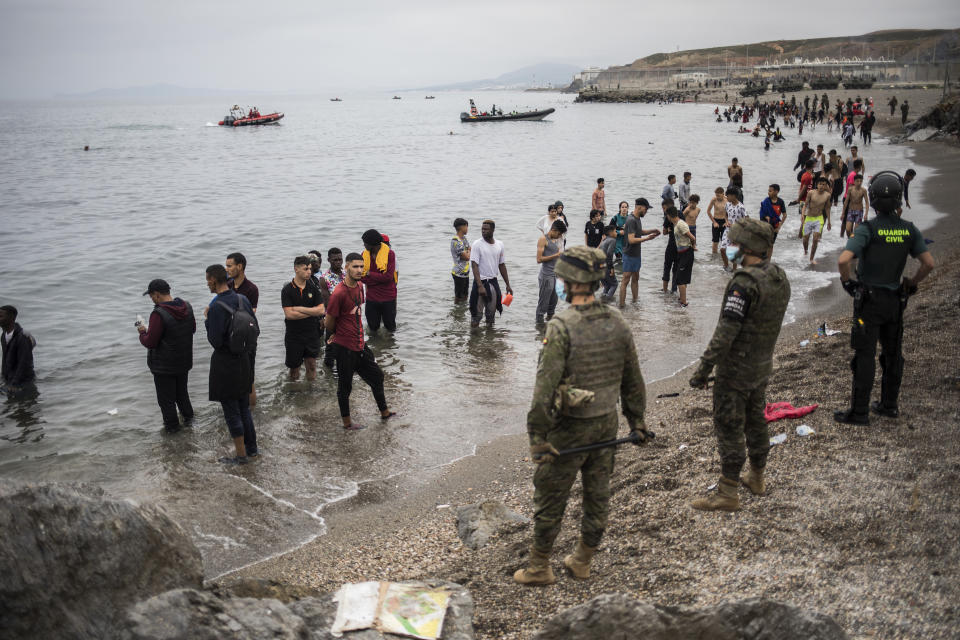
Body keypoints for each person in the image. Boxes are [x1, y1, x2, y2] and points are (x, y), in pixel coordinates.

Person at [513, 246, 650, 585]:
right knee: (597, 493)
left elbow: (544, 392)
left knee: (550, 496)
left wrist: (538, 439)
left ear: (571, 282)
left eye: (560, 278)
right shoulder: (617, 320)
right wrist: (638, 422)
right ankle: (582, 560)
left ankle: (539, 567)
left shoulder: (561, 326)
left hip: (569, 429)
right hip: (607, 423)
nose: (558, 283)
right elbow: (633, 379)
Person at [688, 219, 790, 511]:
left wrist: (703, 371)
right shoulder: (778, 276)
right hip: (761, 365)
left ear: (745, 248)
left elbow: (725, 333)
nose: (728, 247)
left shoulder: (744, 283)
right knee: (756, 419)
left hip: (736, 371)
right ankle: (757, 477)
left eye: (732, 244)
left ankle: (727, 492)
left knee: (730, 425)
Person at [834, 171, 934, 425]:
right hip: (895, 301)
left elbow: (844, 260)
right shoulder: (909, 230)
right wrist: (911, 284)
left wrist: (848, 283)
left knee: (864, 355)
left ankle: (859, 412)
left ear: (874, 200)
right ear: (899, 200)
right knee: (893, 354)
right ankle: (889, 405)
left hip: (868, 302)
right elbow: (928, 264)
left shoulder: (868, 229)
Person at [324, 253, 395, 430]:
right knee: (345, 386)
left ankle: (384, 412)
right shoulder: (338, 293)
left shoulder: (361, 287)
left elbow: (356, 313)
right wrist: (335, 334)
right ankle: (347, 424)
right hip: (344, 347)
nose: (359, 270)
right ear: (346, 267)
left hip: (360, 344)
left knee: (377, 376)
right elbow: (329, 321)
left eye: (362, 267)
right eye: (355, 266)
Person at [205, 264, 258, 464]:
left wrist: (207, 320)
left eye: (207, 280)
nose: (207, 283)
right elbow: (255, 328)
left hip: (225, 363)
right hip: (244, 359)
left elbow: (216, 341)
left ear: (212, 280)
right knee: (244, 407)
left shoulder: (216, 306)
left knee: (231, 410)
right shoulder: (242, 299)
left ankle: (240, 455)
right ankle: (252, 449)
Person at [137, 279, 195, 432]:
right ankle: (190, 424)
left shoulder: (158, 313)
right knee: (182, 395)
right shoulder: (187, 306)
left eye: (151, 296)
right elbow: (192, 329)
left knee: (167, 401)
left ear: (156, 295)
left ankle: (172, 432)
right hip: (183, 362)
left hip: (164, 366)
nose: (151, 300)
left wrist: (142, 332)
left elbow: (150, 342)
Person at [281, 256, 325, 381]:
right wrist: (312, 312)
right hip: (294, 335)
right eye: (306, 269)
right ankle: (293, 394)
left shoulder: (313, 288)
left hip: (311, 333)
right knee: (294, 369)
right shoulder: (287, 290)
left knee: (311, 365)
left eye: (310, 269)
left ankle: (311, 392)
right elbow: (289, 315)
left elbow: (321, 310)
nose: (309, 272)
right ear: (296, 269)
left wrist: (299, 308)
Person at [225, 252, 259, 405]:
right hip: (230, 336)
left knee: (248, 377)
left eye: (229, 266)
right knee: (232, 377)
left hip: (246, 336)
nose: (227, 269)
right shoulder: (227, 286)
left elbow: (250, 314)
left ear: (240, 266)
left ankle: (252, 413)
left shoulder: (251, 288)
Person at [469, 219, 513, 327]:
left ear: (493, 230)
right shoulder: (477, 244)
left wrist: (508, 284)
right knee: (476, 315)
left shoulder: (499, 245)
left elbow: (501, 265)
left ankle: (490, 341)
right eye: (482, 229)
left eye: (486, 229)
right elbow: (474, 265)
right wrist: (480, 286)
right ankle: (474, 340)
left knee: (491, 315)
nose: (483, 231)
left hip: (493, 282)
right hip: (481, 282)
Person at [618, 198, 659, 307]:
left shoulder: (637, 218)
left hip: (636, 254)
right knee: (625, 280)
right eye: (646, 209)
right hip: (629, 254)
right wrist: (647, 239)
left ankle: (635, 302)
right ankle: (622, 306)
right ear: (640, 207)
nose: (646, 212)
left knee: (636, 278)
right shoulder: (631, 220)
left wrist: (652, 230)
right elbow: (631, 240)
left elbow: (639, 232)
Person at [360, 229, 398, 333]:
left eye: (365, 243)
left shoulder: (390, 254)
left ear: (372, 244)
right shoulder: (364, 254)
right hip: (372, 298)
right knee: (372, 329)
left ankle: (390, 349)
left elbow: (389, 277)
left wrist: (370, 274)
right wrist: (380, 278)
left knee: (391, 329)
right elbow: (362, 277)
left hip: (388, 298)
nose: (364, 245)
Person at [0, 305, 36, 399]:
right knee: (12, 408)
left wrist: (14, 383)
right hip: (11, 379)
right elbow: (4, 358)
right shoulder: (3, 336)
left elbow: (24, 363)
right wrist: (3, 377)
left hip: (24, 381)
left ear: (11, 317)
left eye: (0, 316)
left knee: (26, 408)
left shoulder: (22, 337)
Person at [536, 220, 566, 323]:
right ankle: (539, 328)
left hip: (555, 275)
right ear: (553, 230)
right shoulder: (543, 239)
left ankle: (549, 327)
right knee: (543, 305)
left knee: (553, 304)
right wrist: (556, 255)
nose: (559, 236)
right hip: (546, 276)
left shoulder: (554, 240)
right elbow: (539, 259)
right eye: (559, 234)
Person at [667, 207, 696, 307]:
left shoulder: (680, 224)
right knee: (682, 277)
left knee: (679, 279)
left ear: (669, 216)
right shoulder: (676, 224)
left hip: (686, 253)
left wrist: (693, 246)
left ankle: (684, 302)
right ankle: (682, 299)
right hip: (682, 253)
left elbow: (692, 237)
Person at [800, 177, 833, 265]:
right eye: (820, 184)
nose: (821, 186)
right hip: (809, 217)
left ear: (826, 186)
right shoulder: (811, 193)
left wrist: (829, 221)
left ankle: (811, 258)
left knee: (815, 239)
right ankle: (806, 251)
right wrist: (803, 215)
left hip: (819, 218)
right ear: (817, 185)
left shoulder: (827, 195)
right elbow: (805, 204)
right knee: (805, 239)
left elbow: (827, 208)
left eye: (823, 184)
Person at [719, 187, 747, 271]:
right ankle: (726, 265)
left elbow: (747, 219)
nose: (726, 197)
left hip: (738, 232)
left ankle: (734, 269)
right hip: (728, 230)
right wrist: (726, 221)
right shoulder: (728, 204)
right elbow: (725, 214)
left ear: (734, 196)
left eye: (728, 196)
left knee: (734, 251)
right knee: (722, 249)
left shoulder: (741, 207)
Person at [758, 184, 787, 256]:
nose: (768, 192)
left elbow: (784, 215)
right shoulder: (766, 201)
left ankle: (768, 262)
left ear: (776, 192)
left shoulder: (780, 202)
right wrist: (766, 217)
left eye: (770, 191)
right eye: (768, 191)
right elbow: (761, 213)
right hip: (765, 226)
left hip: (775, 226)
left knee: (770, 245)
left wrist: (779, 227)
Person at [451, 218, 471, 302]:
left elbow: (470, 249)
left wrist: (467, 251)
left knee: (465, 296)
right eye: (466, 226)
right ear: (462, 227)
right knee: (458, 297)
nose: (467, 228)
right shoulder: (456, 241)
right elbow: (466, 257)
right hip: (458, 273)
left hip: (465, 273)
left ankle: (461, 313)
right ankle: (456, 314)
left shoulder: (464, 239)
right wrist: (468, 251)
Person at [597, 223, 619, 299]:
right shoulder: (612, 240)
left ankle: (602, 300)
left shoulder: (603, 241)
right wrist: (611, 268)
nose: (616, 233)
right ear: (611, 233)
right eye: (615, 231)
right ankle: (607, 301)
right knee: (614, 284)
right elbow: (609, 254)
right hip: (606, 266)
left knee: (607, 285)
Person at [706, 187, 727, 254]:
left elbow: (730, 212)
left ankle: (724, 258)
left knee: (724, 242)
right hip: (716, 221)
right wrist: (714, 222)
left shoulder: (727, 200)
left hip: (724, 221)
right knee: (715, 241)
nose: (717, 197)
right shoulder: (714, 200)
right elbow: (708, 211)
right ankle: (714, 258)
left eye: (718, 195)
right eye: (716, 195)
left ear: (723, 194)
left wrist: (727, 221)